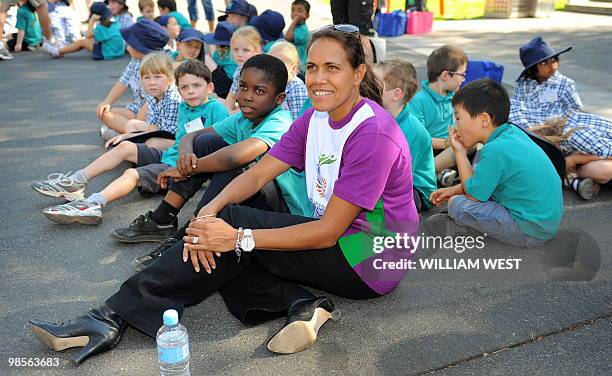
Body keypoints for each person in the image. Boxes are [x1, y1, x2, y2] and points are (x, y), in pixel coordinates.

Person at [28, 24, 418, 365]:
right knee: (214, 245)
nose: (318, 78)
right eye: (313, 66)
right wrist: (207, 214)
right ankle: (301, 302)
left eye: (332, 68)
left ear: (358, 73)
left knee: (227, 243)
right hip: (337, 239)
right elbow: (258, 173)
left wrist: (235, 236)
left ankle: (109, 318)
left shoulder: (373, 134)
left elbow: (328, 232)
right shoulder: (315, 117)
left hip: (369, 258)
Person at [111, 54, 309, 251]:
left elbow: (234, 157)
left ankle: (191, 234)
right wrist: (185, 158)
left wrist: (189, 169)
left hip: (284, 207)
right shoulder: (243, 118)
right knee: (207, 142)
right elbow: (193, 136)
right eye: (243, 87)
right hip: (253, 193)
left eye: (259, 91)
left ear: (279, 98)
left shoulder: (280, 122)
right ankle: (163, 219)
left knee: (236, 167)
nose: (247, 96)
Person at [31, 52, 182, 225]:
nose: (152, 82)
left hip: (172, 150)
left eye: (157, 77)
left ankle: (92, 202)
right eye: (146, 78)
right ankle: (77, 181)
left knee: (144, 143)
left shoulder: (173, 98)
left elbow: (167, 134)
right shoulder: (154, 97)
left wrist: (133, 135)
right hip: (162, 141)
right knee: (126, 141)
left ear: (170, 79)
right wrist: (128, 136)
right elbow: (153, 126)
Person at [428, 79, 563, 247]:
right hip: (544, 223)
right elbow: (485, 181)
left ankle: (458, 230)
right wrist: (453, 189)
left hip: (527, 229)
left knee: (457, 205)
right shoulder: (511, 133)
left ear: (484, 119)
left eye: (458, 117)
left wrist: (460, 152)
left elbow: (474, 196)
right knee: (461, 197)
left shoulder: (494, 150)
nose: (455, 125)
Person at [375, 58, 436, 213]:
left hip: (416, 189)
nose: (367, 87)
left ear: (396, 94)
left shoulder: (413, 130)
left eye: (375, 84)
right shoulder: (376, 115)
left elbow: (401, 177)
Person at [96, 19, 169, 137]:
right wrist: (107, 101)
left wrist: (138, 121)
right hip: (136, 108)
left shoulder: (160, 64)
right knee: (105, 112)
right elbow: (123, 82)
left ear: (141, 47)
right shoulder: (135, 60)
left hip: (154, 114)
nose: (128, 47)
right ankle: (131, 133)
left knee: (132, 123)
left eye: (130, 44)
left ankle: (131, 133)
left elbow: (153, 99)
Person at [408, 45, 467, 184]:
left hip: (448, 149)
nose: (464, 79)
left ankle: (439, 173)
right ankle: (427, 172)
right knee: (458, 148)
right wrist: (447, 143)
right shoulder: (419, 101)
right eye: (462, 74)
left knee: (473, 142)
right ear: (445, 75)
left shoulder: (455, 97)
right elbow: (419, 139)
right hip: (429, 151)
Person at [529, 114, 612, 200]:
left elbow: (607, 153)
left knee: (598, 169)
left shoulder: (574, 136)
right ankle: (573, 180)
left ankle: (570, 180)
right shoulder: (569, 121)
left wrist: (574, 159)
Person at [44, 2, 125, 60]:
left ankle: (57, 51)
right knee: (83, 43)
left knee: (83, 42)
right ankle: (62, 50)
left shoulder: (102, 28)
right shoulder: (114, 22)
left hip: (108, 54)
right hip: (118, 52)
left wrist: (91, 21)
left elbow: (88, 36)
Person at [223, 25, 262, 113]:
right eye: (236, 49)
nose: (240, 54)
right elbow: (232, 96)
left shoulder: (261, 71)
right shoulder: (239, 70)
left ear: (257, 51)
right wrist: (225, 113)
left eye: (246, 50)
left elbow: (259, 103)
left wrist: (233, 113)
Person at [268, 41, 307, 120]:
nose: (273, 69)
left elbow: (298, 119)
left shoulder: (297, 89)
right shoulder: (273, 83)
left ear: (293, 69)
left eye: (279, 66)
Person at [202, 20, 237, 99]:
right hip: (230, 86)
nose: (219, 48)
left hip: (226, 88)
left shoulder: (227, 56)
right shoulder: (232, 52)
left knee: (207, 59)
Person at [285, 0, 310, 74]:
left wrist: (295, 20)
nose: (295, 13)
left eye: (300, 11)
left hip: (300, 67)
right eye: (293, 10)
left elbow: (288, 37)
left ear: (307, 15)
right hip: (295, 63)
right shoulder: (296, 27)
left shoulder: (303, 30)